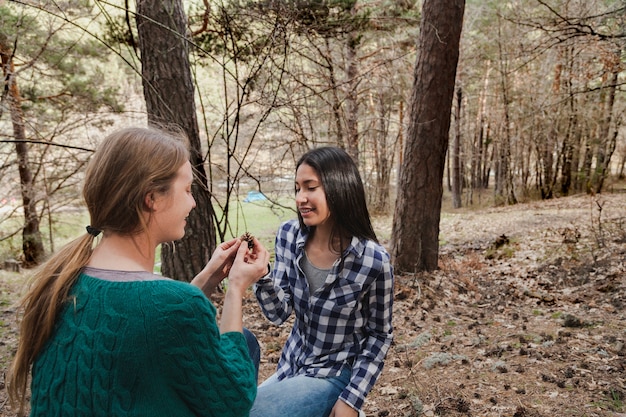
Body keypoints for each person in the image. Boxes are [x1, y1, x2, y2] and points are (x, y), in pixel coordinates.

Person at [7, 126, 270, 417]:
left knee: (241, 340)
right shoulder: (174, 304)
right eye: (186, 190)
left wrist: (207, 278)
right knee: (246, 347)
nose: (193, 202)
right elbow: (233, 403)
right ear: (152, 198)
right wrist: (235, 288)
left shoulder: (61, 280)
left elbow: (144, 320)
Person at [250, 147, 394, 417]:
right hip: (292, 365)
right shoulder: (288, 235)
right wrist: (261, 275)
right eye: (297, 188)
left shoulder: (374, 260)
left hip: (335, 375)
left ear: (339, 188)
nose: (300, 198)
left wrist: (351, 400)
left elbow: (379, 336)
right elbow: (278, 314)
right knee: (238, 410)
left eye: (310, 187)